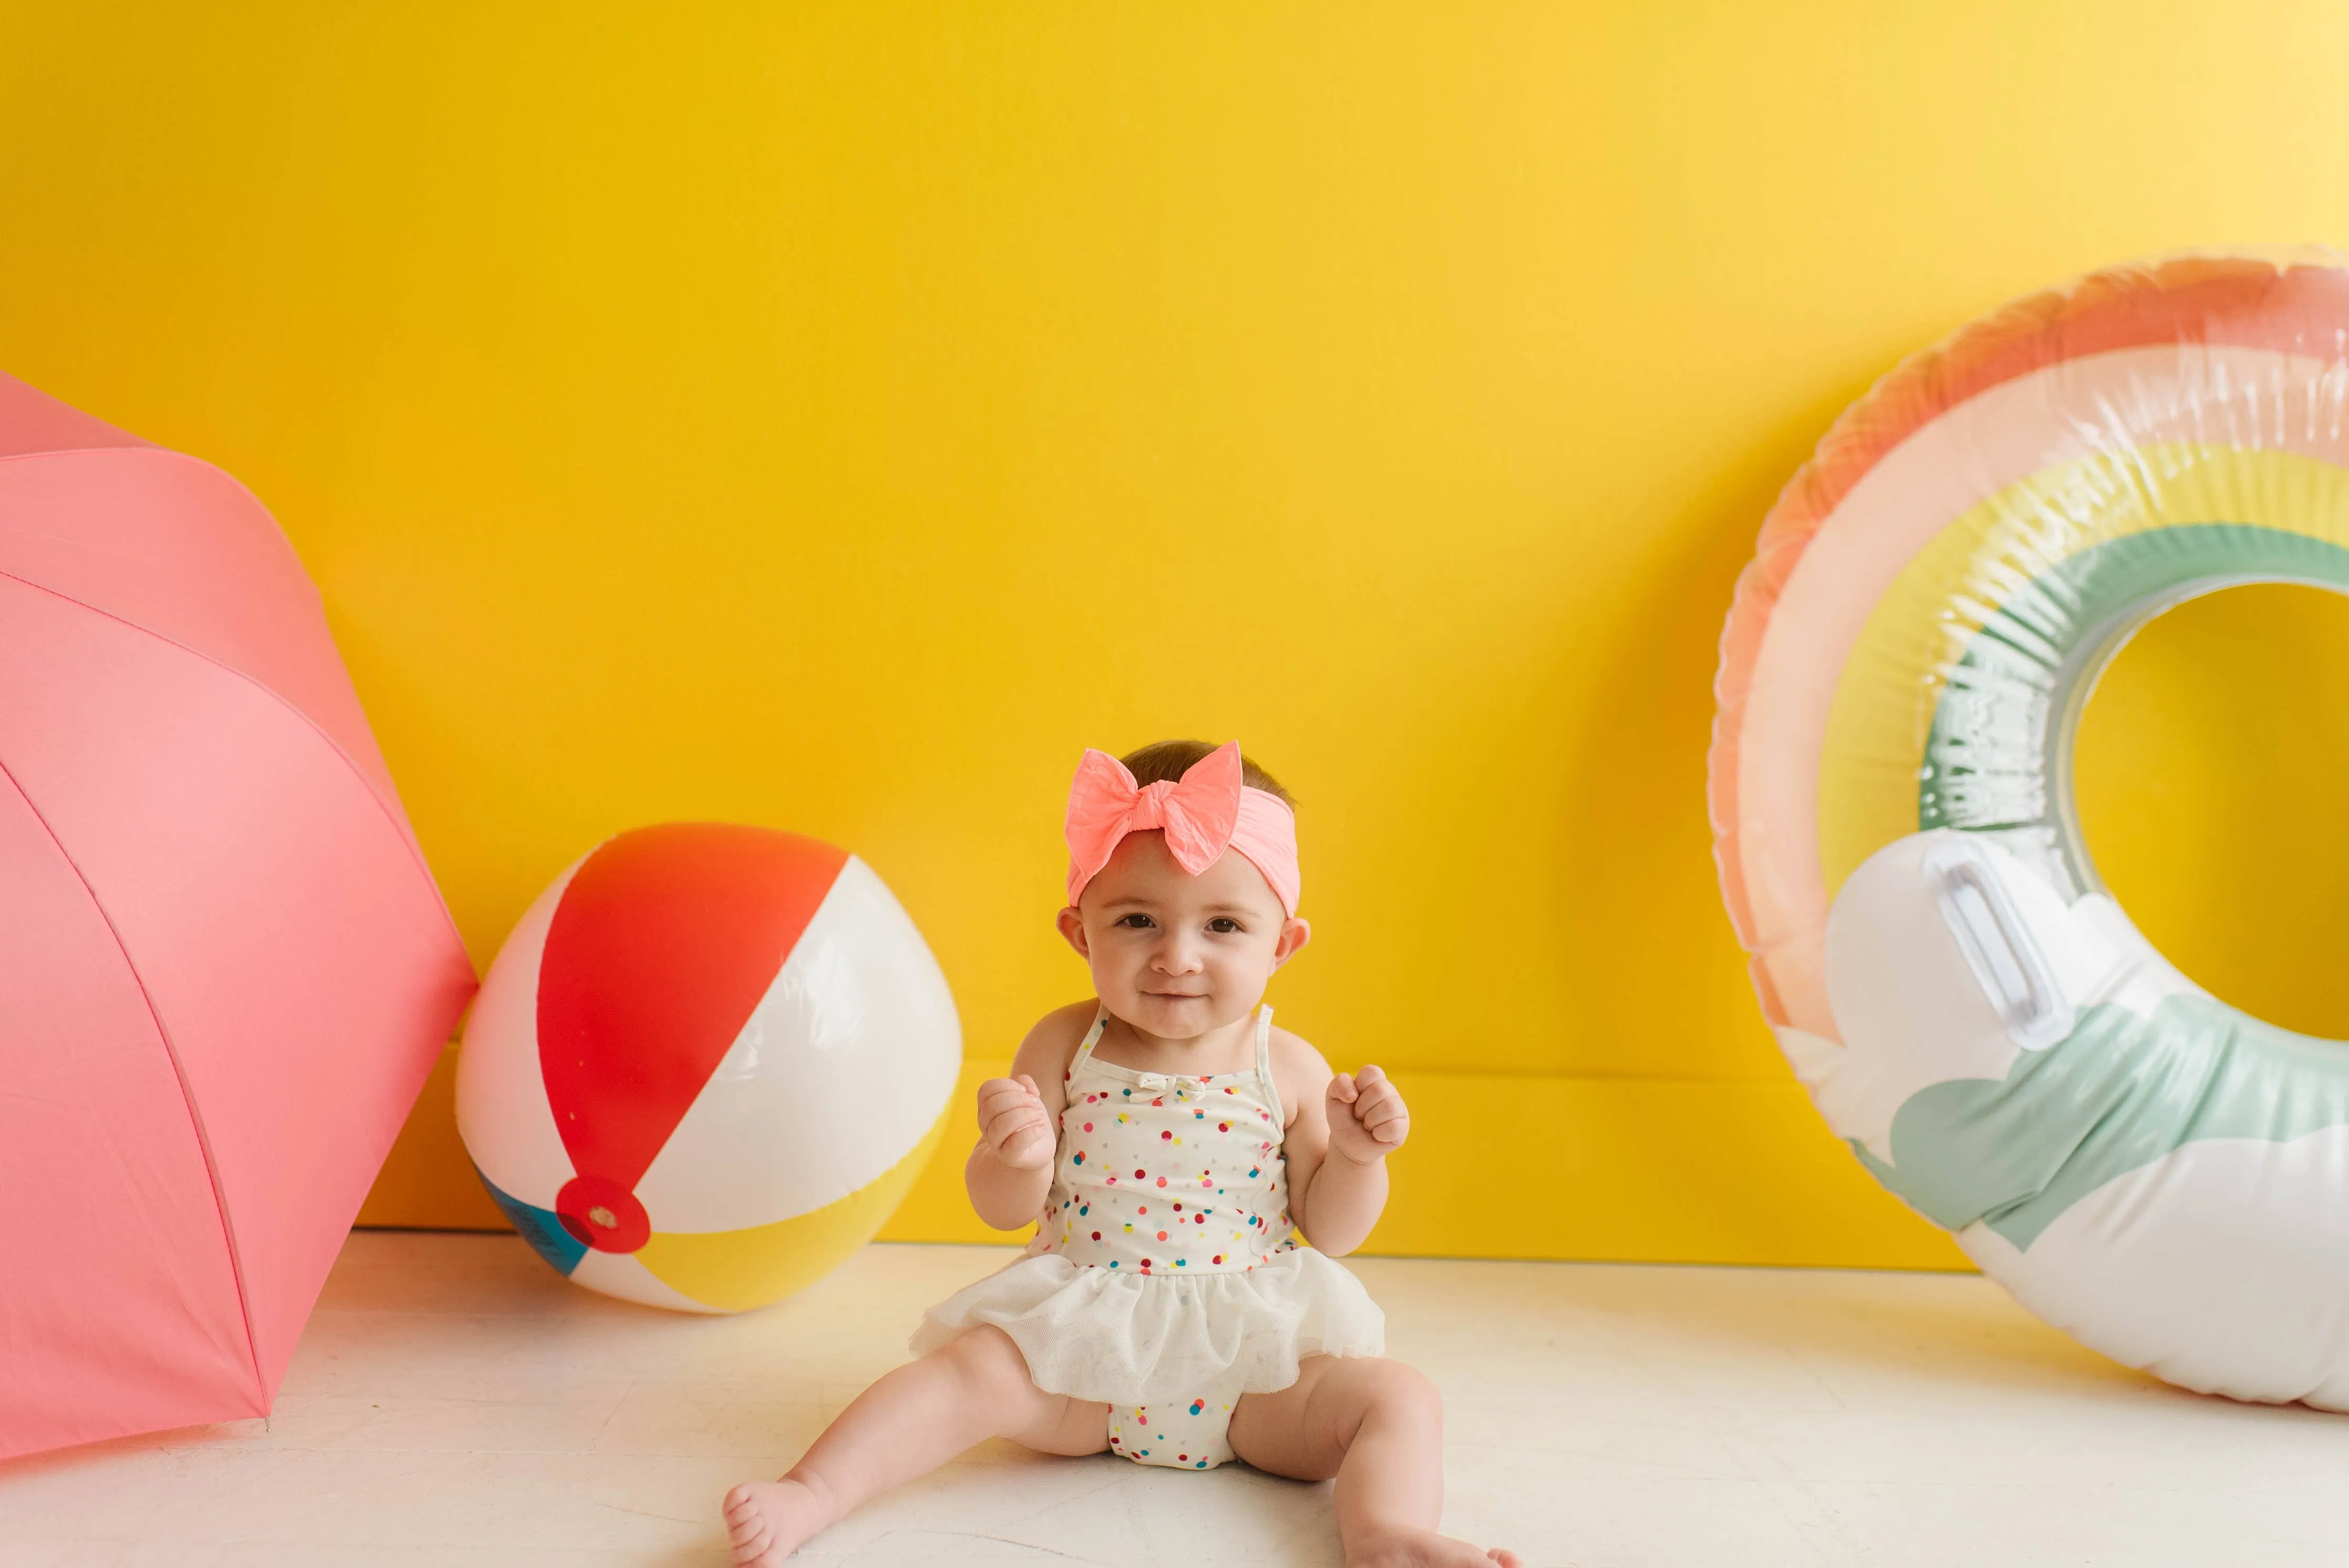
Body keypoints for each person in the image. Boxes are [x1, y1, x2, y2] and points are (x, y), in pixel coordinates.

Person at [724, 740, 1517, 1566]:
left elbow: (1335, 1231)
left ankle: (1385, 1535)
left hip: (1254, 1374)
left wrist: (1356, 1158)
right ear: (1079, 930)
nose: (1177, 955)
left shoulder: (1288, 1065)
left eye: (1223, 925)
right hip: (1080, 1366)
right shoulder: (1067, 1043)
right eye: (1137, 920)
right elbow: (1003, 1211)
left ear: (1282, 944)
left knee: (1397, 1397)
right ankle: (811, 1493)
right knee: (970, 1374)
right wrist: (1019, 1156)